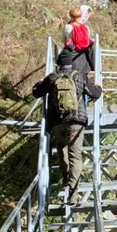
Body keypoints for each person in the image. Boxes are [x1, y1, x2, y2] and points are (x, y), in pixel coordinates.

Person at [32, 50, 102, 203]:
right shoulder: (79, 76)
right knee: (75, 156)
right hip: (76, 122)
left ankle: (65, 178)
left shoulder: (52, 78)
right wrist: (98, 86)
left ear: (58, 64)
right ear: (71, 63)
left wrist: (38, 83)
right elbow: (95, 94)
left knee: (62, 151)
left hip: (57, 122)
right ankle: (73, 191)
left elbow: (36, 93)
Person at [63, 5, 94, 73]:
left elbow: (65, 40)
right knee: (83, 77)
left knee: (72, 76)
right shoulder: (86, 27)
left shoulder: (68, 26)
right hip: (83, 55)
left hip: (71, 54)